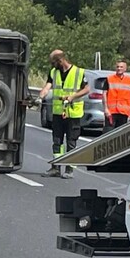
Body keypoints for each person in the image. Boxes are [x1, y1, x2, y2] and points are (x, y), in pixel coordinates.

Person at [38, 49, 90, 178]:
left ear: (60, 60)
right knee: (57, 141)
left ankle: (69, 170)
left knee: (71, 142)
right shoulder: (54, 72)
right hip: (58, 112)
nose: (52, 65)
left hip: (73, 113)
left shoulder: (79, 72)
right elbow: (47, 86)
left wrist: (73, 96)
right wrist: (41, 96)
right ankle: (55, 167)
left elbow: (87, 89)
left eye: (53, 62)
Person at [102, 59, 130, 130]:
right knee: (108, 132)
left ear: (125, 69)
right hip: (111, 112)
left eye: (121, 67)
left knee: (120, 133)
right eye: (117, 67)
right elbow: (104, 94)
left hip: (124, 112)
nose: (119, 68)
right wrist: (106, 109)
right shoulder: (109, 79)